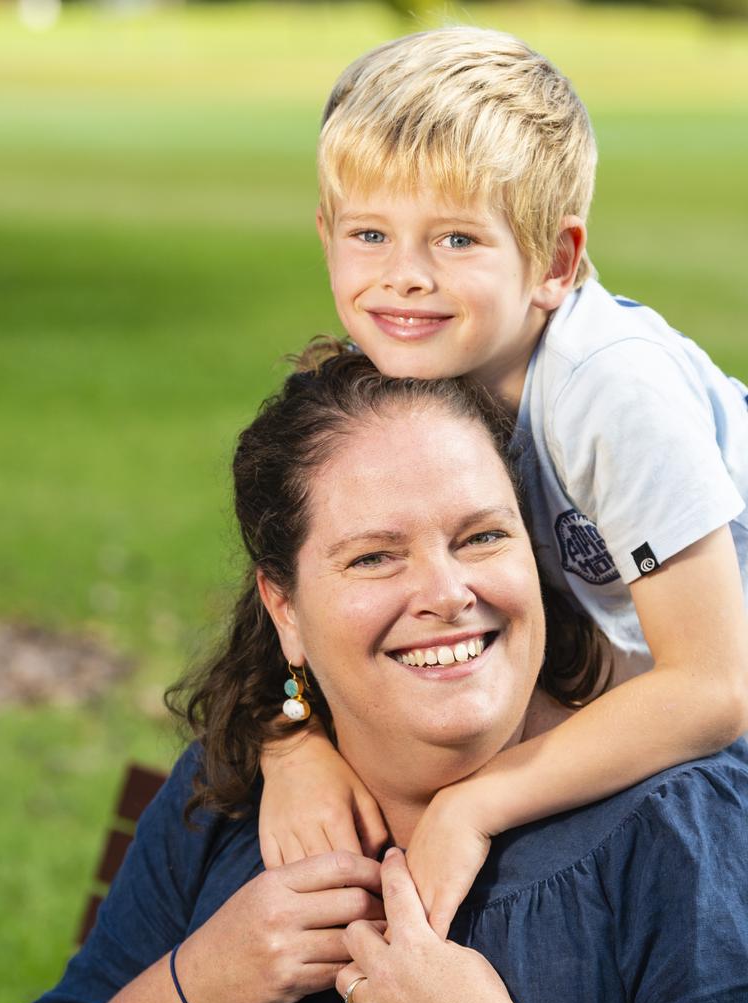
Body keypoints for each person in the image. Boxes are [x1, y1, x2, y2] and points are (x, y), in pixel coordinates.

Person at [7, 351, 748, 1003]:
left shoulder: (679, 831)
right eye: (374, 558)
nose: (446, 592)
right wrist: (194, 985)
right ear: (284, 610)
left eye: (482, 536)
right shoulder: (232, 798)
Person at [258, 25, 748, 936]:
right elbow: (306, 587)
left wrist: (471, 806)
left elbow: (715, 689)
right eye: (370, 233)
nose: (404, 277)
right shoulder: (433, 366)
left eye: (455, 238)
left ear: (556, 263)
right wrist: (292, 745)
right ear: (326, 235)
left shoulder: (612, 390)